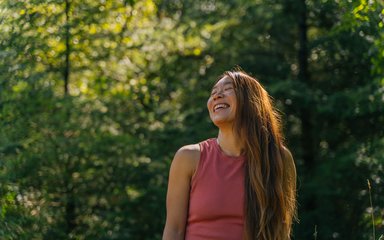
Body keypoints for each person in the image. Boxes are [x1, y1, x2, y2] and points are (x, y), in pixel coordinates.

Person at [162, 70, 297, 240]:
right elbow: (174, 230)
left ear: (251, 100)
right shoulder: (189, 157)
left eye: (227, 89)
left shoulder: (279, 158)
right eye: (213, 93)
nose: (217, 96)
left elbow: (281, 232)